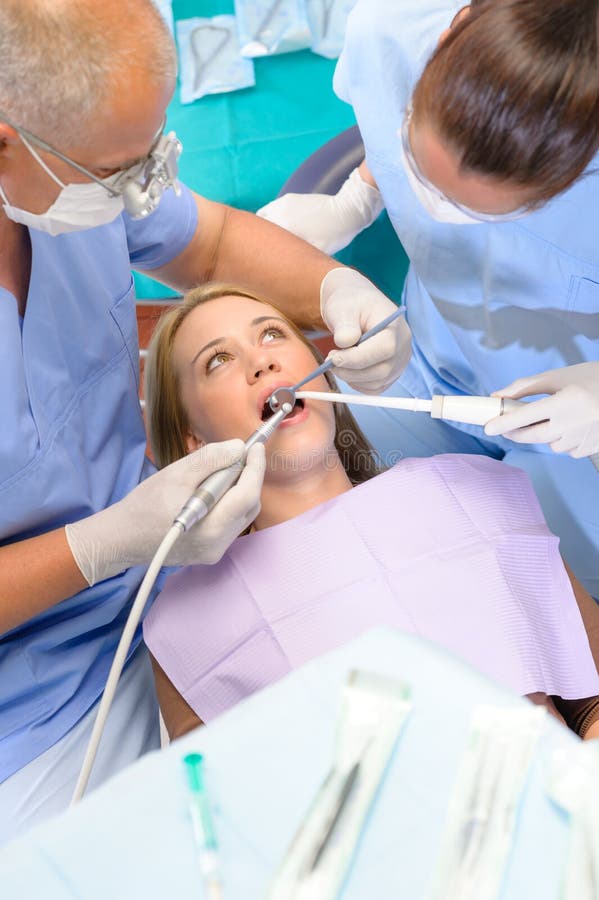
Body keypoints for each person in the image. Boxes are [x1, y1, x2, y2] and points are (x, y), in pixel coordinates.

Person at [0, 0, 410, 841]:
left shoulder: (450, 499)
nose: (138, 189)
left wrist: (336, 291)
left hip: (167, 583)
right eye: (117, 171)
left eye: (272, 335)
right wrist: (104, 544)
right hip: (35, 708)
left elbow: (215, 245)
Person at [142, 283, 599, 744]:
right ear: (193, 441)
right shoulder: (186, 625)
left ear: (321, 374)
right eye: (217, 361)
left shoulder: (470, 494)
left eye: (273, 335)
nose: (261, 362)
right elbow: (217, 801)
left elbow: (593, 700)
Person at [257, 0, 599, 600]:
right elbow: (385, 107)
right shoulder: (392, 26)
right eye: (418, 158)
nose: (439, 208)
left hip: (575, 429)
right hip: (426, 354)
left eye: (480, 209)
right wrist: (357, 197)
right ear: (450, 33)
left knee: (557, 605)